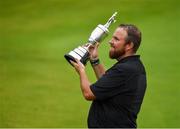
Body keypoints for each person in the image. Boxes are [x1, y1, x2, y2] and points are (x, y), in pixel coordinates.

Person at [70, 24, 147, 128]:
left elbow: (89, 94)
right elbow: (106, 84)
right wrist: (94, 60)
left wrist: (81, 70)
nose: (110, 41)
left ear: (129, 45)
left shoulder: (125, 70)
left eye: (116, 39)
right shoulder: (133, 66)